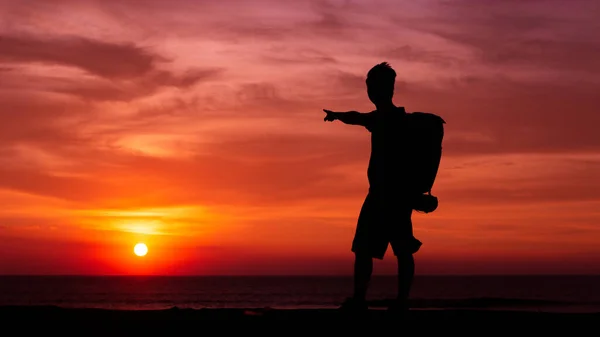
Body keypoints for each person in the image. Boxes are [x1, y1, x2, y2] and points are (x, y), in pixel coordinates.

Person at [323, 62, 422, 315]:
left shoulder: (388, 119)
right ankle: (393, 300)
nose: (370, 91)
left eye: (372, 86)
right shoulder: (390, 119)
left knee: (381, 249)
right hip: (389, 195)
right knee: (388, 249)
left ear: (383, 89)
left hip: (388, 196)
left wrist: (338, 116)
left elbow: (359, 117)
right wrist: (338, 115)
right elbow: (358, 117)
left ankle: (374, 300)